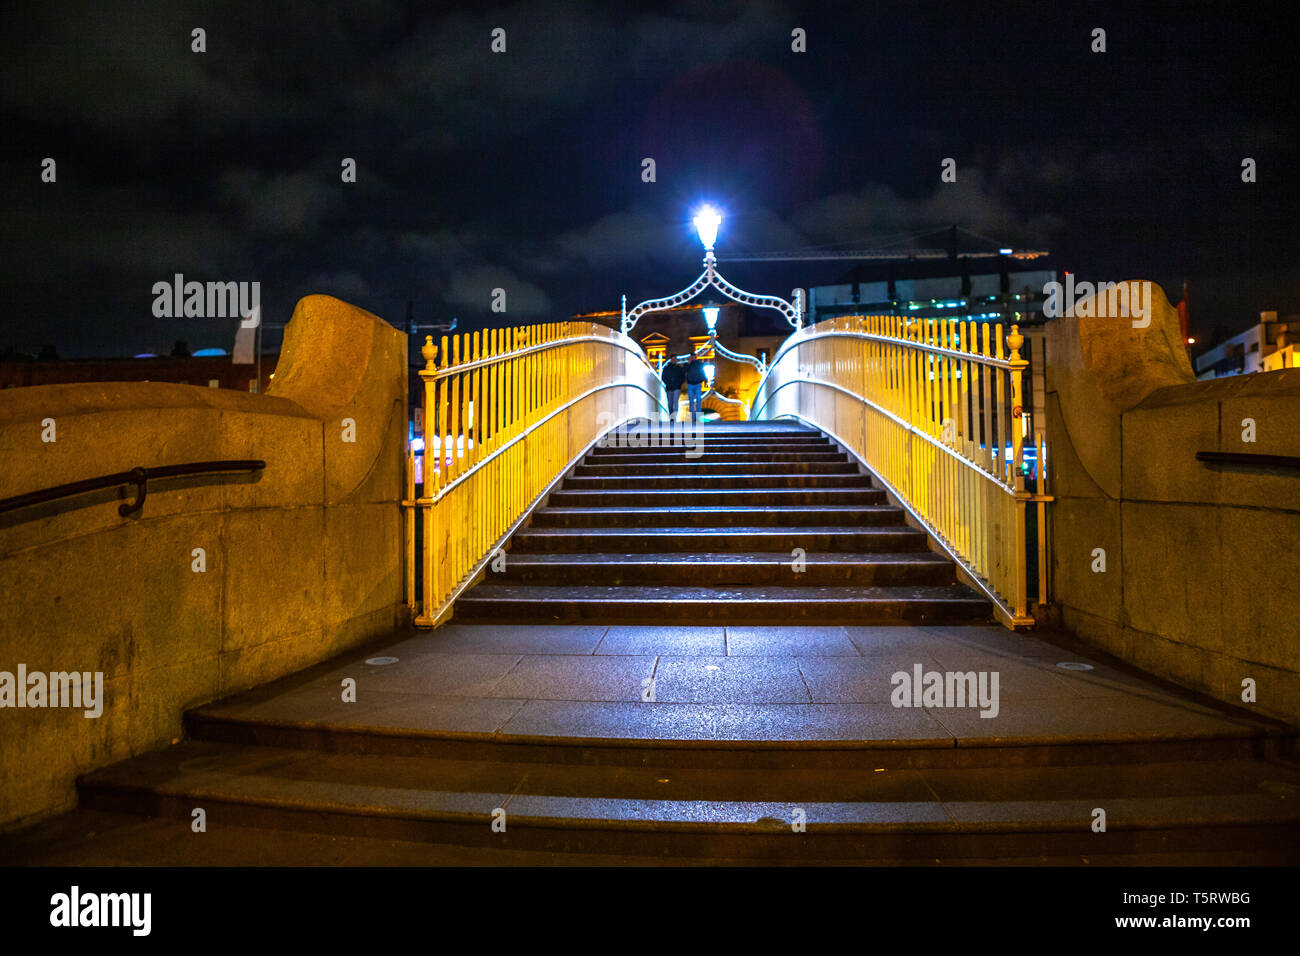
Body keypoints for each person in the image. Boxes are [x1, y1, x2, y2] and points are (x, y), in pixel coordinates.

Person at [660, 358, 685, 423]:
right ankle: (672, 416)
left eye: (675, 359)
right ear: (671, 360)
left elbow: (683, 377)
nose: (674, 361)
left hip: (677, 387)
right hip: (669, 388)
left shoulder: (679, 368)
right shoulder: (667, 368)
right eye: (673, 359)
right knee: (670, 403)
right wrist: (667, 383)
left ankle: (674, 417)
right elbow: (663, 377)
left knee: (675, 402)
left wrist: (679, 384)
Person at [684, 355, 707, 425]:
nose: (692, 358)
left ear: (695, 357)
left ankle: (698, 418)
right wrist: (688, 363)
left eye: (693, 357)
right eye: (691, 357)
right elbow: (684, 370)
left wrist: (705, 379)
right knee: (691, 402)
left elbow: (702, 372)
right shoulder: (687, 364)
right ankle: (692, 418)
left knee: (698, 401)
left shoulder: (699, 364)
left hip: (697, 384)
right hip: (690, 385)